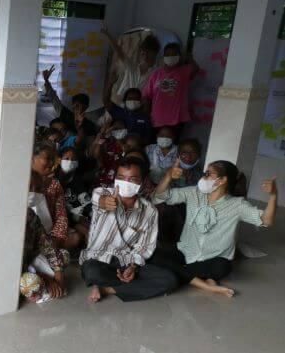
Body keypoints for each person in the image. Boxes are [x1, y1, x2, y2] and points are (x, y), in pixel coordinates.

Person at [151, 161, 278, 297]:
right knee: (153, 255)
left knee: (223, 266)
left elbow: (266, 221)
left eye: (208, 174)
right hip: (186, 251)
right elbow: (158, 197)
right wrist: (168, 176)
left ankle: (181, 274)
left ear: (222, 180)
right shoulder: (193, 192)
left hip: (213, 259)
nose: (203, 178)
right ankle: (206, 283)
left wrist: (273, 195)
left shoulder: (237, 205)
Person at [80, 157, 178, 303]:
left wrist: (132, 267)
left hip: (126, 261)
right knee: (92, 272)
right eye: (121, 178)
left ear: (143, 181)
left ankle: (108, 288)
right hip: (99, 259)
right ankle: (126, 285)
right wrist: (105, 203)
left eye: (132, 179)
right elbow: (98, 199)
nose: (125, 183)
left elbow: (145, 246)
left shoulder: (149, 210)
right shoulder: (103, 193)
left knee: (170, 280)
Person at [143, 42, 199, 135]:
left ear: (179, 56)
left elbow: (196, 69)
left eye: (174, 54)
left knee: (173, 147)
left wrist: (190, 58)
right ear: (163, 56)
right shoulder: (156, 74)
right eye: (168, 54)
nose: (170, 57)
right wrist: (146, 114)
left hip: (177, 119)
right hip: (157, 119)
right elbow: (146, 95)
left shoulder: (184, 71)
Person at [29, 142, 77, 249]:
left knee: (74, 238)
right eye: (47, 158)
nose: (51, 163)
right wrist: (41, 188)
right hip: (26, 231)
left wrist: (56, 238)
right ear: (32, 158)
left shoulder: (54, 184)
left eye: (53, 159)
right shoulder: (22, 180)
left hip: (47, 232)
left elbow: (61, 215)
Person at [101, 27, 161, 106]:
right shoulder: (132, 66)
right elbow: (119, 51)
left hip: (137, 106)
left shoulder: (155, 72)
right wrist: (107, 35)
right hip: (120, 102)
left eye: (151, 55)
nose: (146, 57)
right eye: (144, 53)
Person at [20, 207, 67, 302]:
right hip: (17, 270)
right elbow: (14, 267)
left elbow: (47, 245)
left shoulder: (30, 216)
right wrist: (45, 278)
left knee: (64, 256)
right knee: (31, 285)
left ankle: (41, 286)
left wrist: (59, 274)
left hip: (30, 260)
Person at [42, 65, 98, 137]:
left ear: (86, 107)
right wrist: (46, 81)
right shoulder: (64, 114)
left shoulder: (92, 121)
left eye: (78, 106)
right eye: (74, 106)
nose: (76, 109)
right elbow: (53, 98)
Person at [91, 119, 128, 187]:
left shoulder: (128, 144)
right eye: (116, 129)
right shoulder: (107, 143)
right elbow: (95, 154)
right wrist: (103, 134)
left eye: (121, 128)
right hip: (103, 180)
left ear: (126, 130)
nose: (119, 130)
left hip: (119, 182)